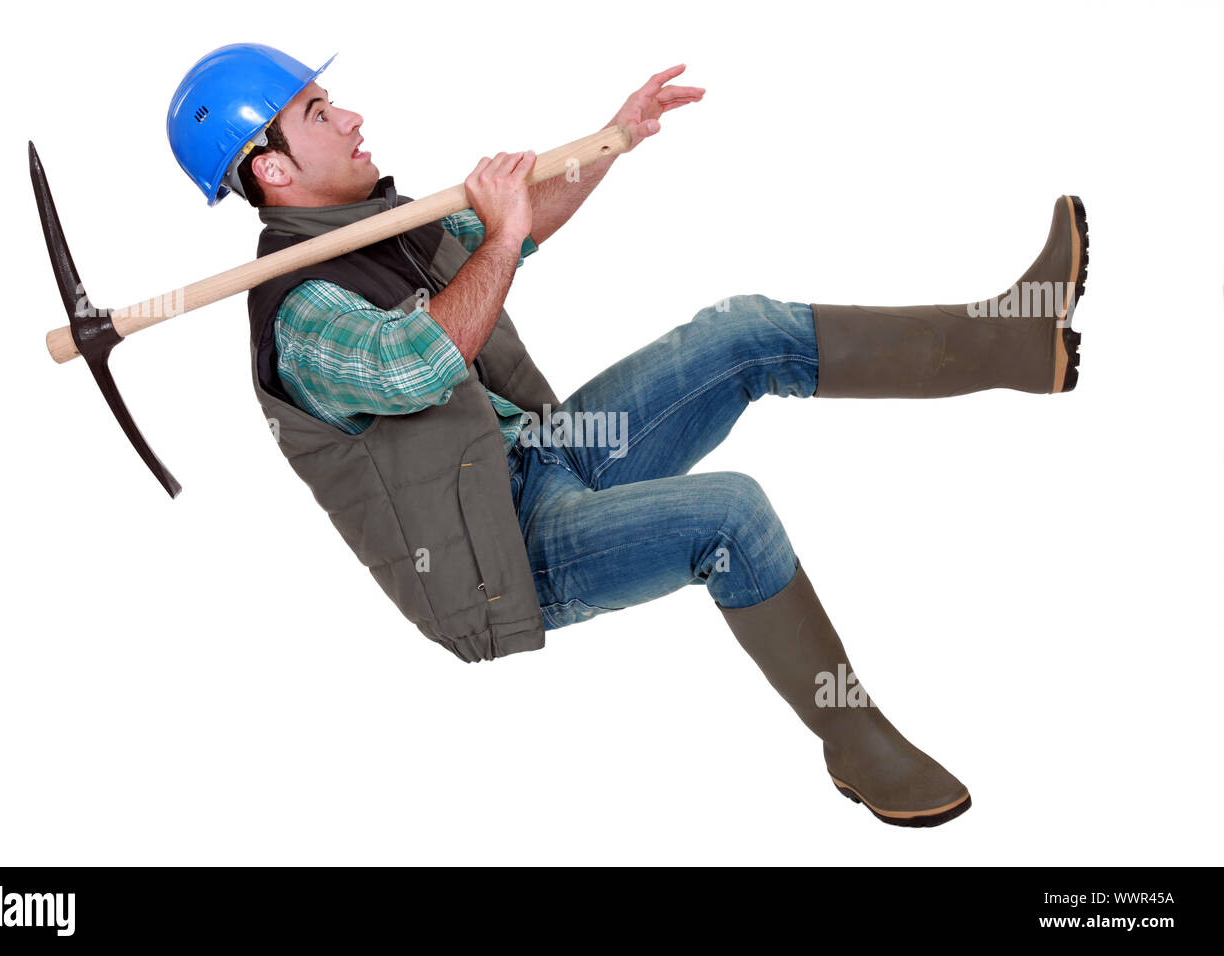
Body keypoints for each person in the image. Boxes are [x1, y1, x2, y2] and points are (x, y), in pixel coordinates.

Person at [167, 43, 1087, 827]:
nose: (353, 117)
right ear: (273, 168)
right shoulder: (300, 314)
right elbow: (420, 362)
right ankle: (855, 738)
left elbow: (516, 233)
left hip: (544, 452)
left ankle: (1008, 337)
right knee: (732, 515)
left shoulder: (378, 227)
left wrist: (614, 139)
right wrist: (497, 236)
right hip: (505, 556)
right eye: (321, 112)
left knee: (742, 328)